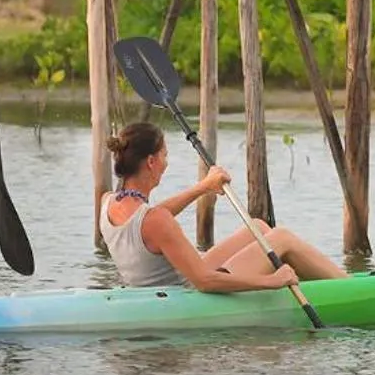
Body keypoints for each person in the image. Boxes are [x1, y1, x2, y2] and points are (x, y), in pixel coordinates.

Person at [99, 122, 347, 291]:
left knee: (257, 227)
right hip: (189, 295)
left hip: (166, 285)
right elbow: (204, 282)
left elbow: (150, 220)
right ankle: (349, 288)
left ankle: (320, 284)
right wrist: (271, 281)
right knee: (281, 238)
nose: (167, 163)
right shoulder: (156, 221)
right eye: (165, 155)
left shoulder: (108, 201)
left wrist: (204, 187)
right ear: (151, 162)